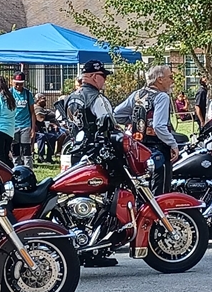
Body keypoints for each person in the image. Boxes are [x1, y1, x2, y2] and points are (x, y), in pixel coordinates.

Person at [114, 65, 179, 196]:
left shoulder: (137, 95)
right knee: (160, 193)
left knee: (142, 190)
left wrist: (136, 121)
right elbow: (159, 126)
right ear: (160, 79)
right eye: (170, 77)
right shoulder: (162, 97)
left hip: (138, 149)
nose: (172, 81)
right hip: (159, 148)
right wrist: (173, 144)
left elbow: (116, 114)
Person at [65, 60, 114, 142]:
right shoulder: (98, 99)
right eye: (104, 76)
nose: (105, 80)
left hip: (74, 147)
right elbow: (108, 126)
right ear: (94, 76)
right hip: (95, 149)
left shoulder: (70, 97)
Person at [10, 72, 36, 169]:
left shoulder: (27, 94)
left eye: (20, 84)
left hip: (25, 125)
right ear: (12, 82)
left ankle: (28, 169)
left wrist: (33, 128)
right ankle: (16, 169)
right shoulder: (10, 93)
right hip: (14, 125)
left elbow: (32, 112)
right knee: (15, 149)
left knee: (26, 149)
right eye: (16, 83)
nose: (18, 86)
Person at [34, 93, 64, 163]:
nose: (45, 100)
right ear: (38, 100)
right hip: (37, 131)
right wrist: (52, 124)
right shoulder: (36, 108)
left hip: (44, 130)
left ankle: (49, 157)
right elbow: (40, 119)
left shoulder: (42, 108)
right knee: (42, 136)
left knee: (52, 137)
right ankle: (40, 156)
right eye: (43, 99)